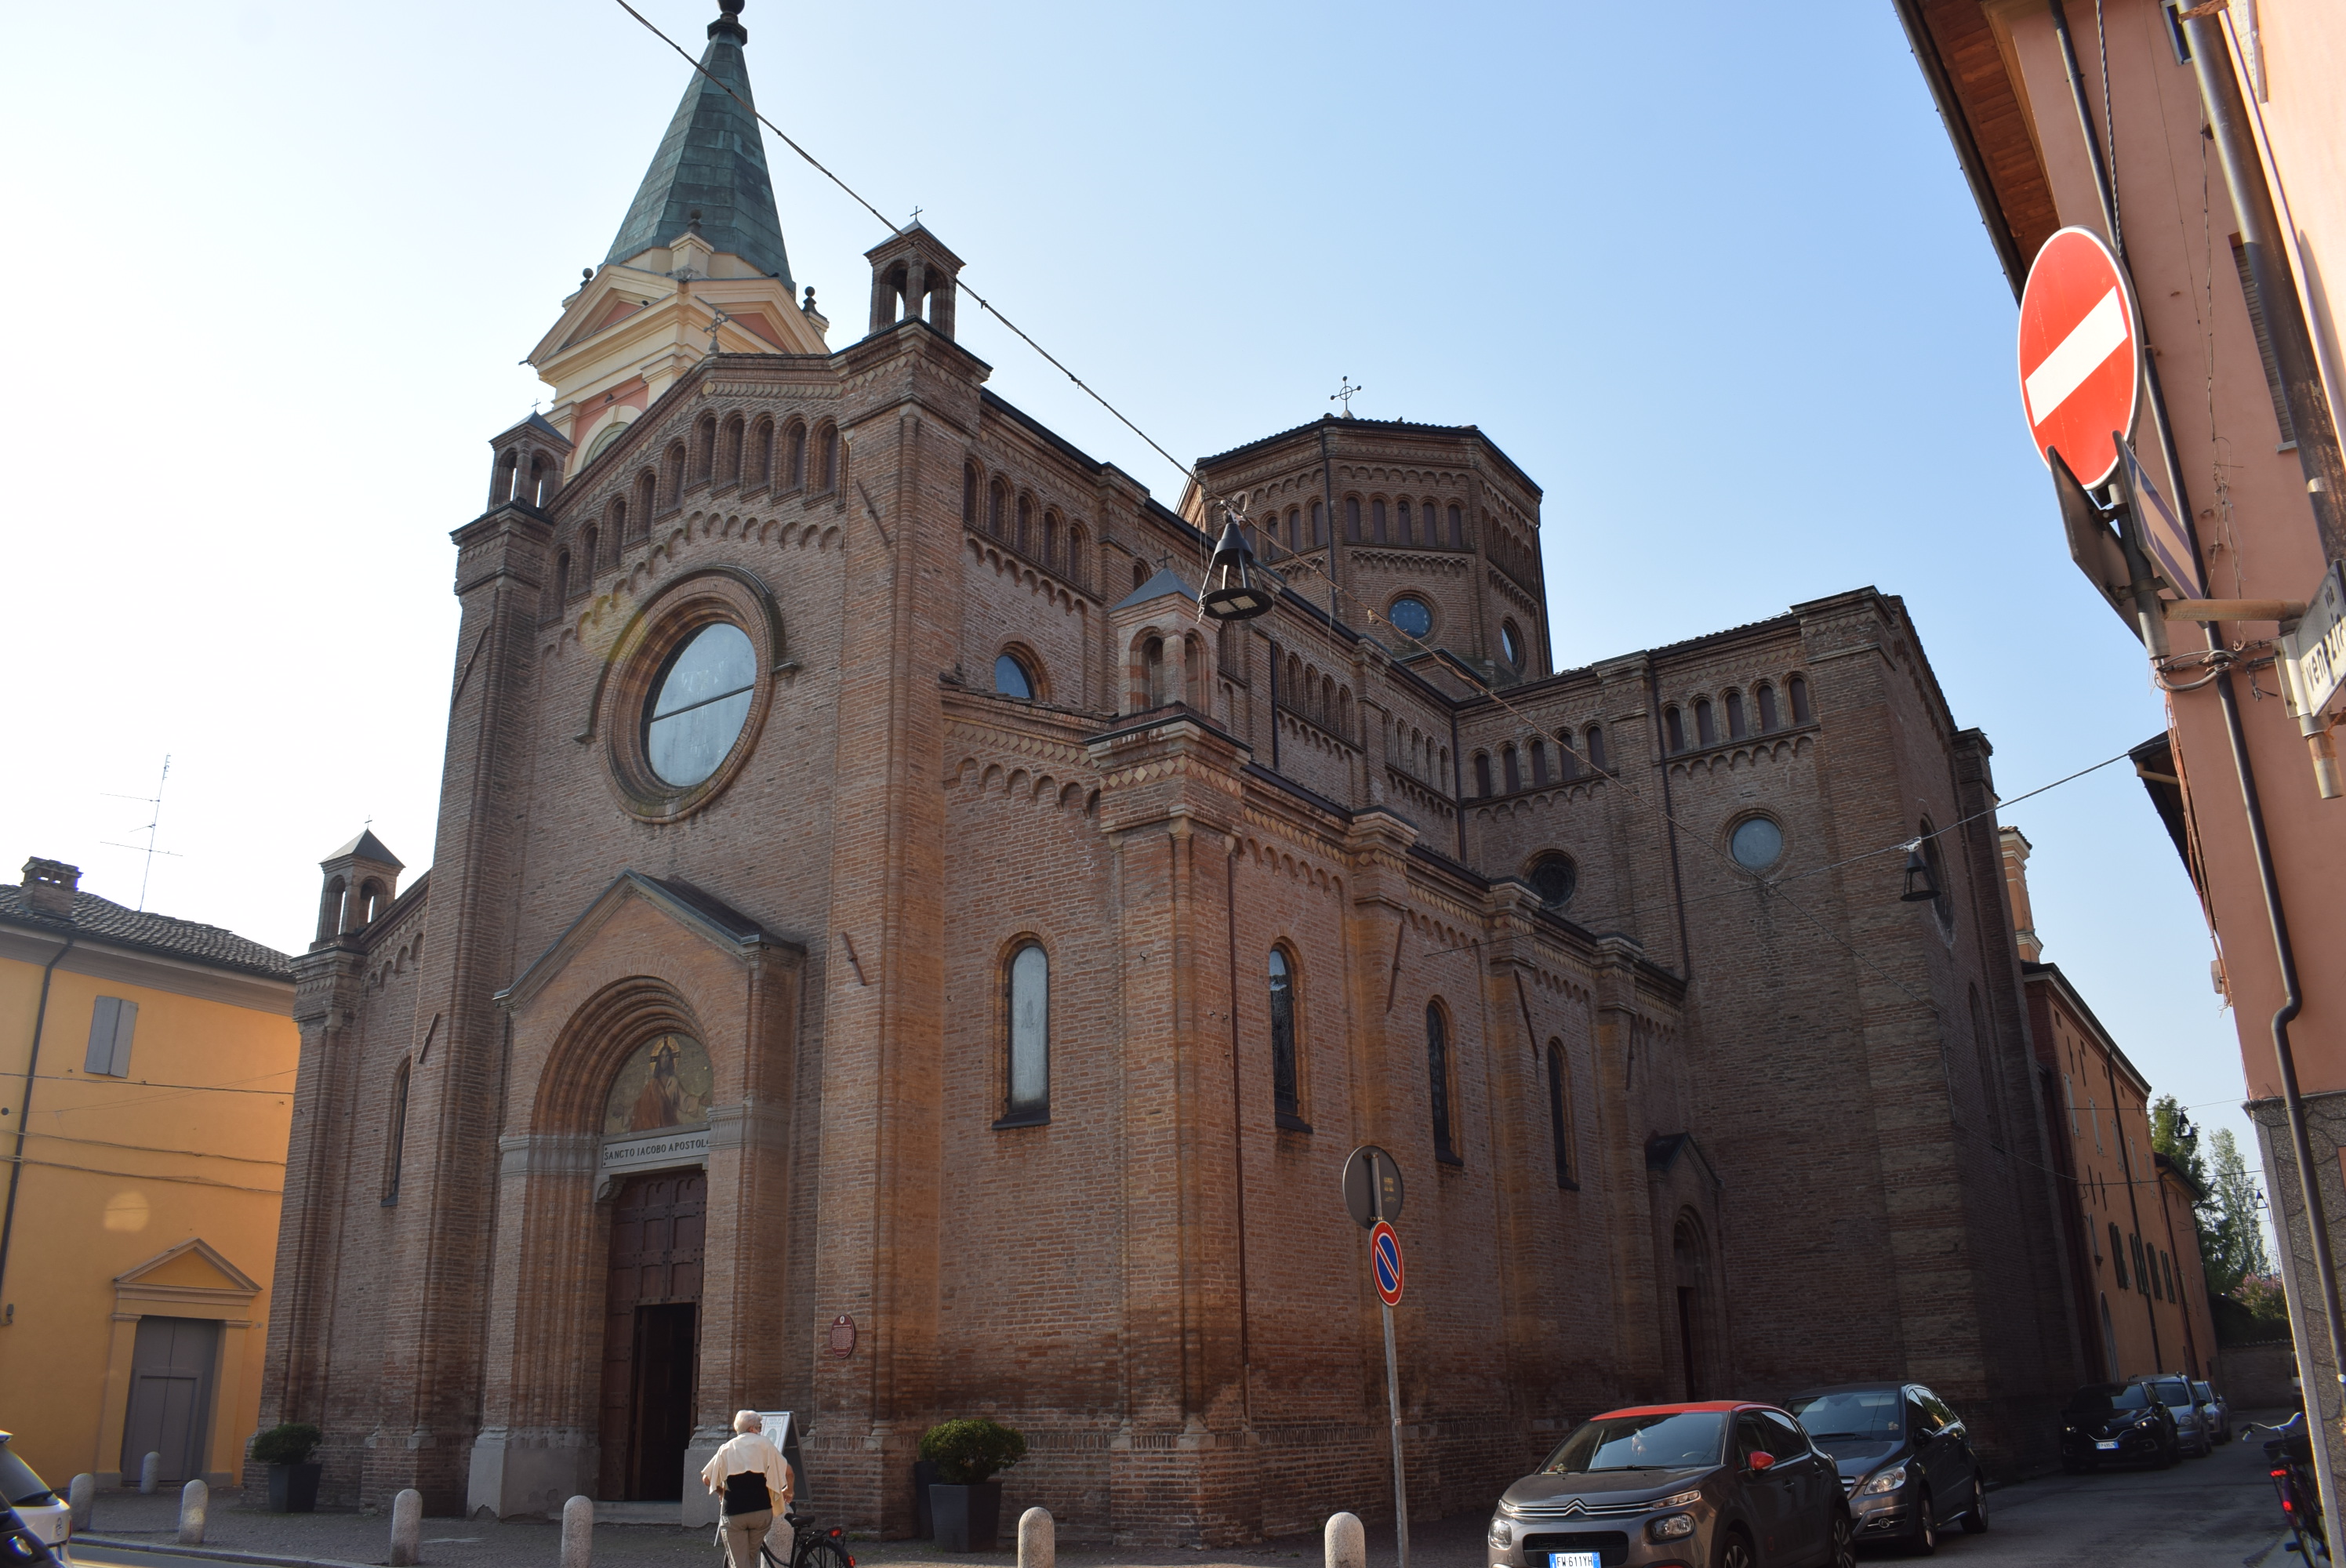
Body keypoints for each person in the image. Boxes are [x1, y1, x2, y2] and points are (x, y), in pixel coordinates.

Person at [701, 1410, 794, 1568]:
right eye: (759, 1427)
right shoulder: (765, 1444)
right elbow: (789, 1472)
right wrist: (788, 1490)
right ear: (752, 1429)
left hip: (734, 1513)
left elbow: (707, 1479)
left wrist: (722, 1493)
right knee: (750, 1558)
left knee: (740, 1563)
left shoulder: (727, 1448)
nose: (760, 1431)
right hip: (761, 1513)